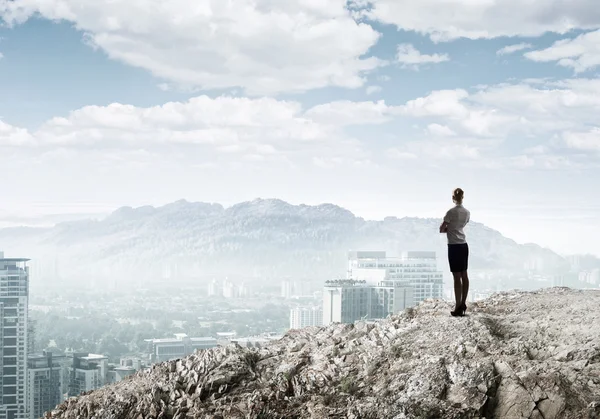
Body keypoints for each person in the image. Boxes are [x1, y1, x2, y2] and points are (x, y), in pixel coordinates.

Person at [439, 188, 470, 317]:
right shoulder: (467, 213)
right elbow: (462, 226)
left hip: (453, 246)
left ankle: (457, 306)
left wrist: (450, 230)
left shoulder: (450, 212)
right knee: (464, 274)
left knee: (456, 277)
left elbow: (442, 229)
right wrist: (455, 229)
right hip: (463, 245)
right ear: (463, 197)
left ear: (453, 198)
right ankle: (463, 303)